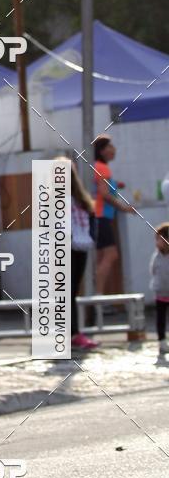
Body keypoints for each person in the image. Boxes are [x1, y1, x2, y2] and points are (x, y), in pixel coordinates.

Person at [93, 136, 135, 296]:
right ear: (102, 151)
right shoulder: (102, 167)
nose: (113, 149)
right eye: (110, 147)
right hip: (101, 216)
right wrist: (124, 208)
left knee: (100, 257)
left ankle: (97, 298)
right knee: (111, 255)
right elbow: (104, 194)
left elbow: (102, 188)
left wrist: (116, 184)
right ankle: (98, 296)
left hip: (99, 217)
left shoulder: (98, 167)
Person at [70, 162, 99, 350]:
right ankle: (70, 333)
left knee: (71, 290)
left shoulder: (79, 198)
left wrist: (91, 238)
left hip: (80, 246)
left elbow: (91, 216)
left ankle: (72, 333)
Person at [150, 222, 169, 355]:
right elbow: (152, 270)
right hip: (161, 293)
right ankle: (162, 341)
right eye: (156, 239)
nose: (157, 242)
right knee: (160, 319)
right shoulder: (156, 256)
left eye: (160, 239)